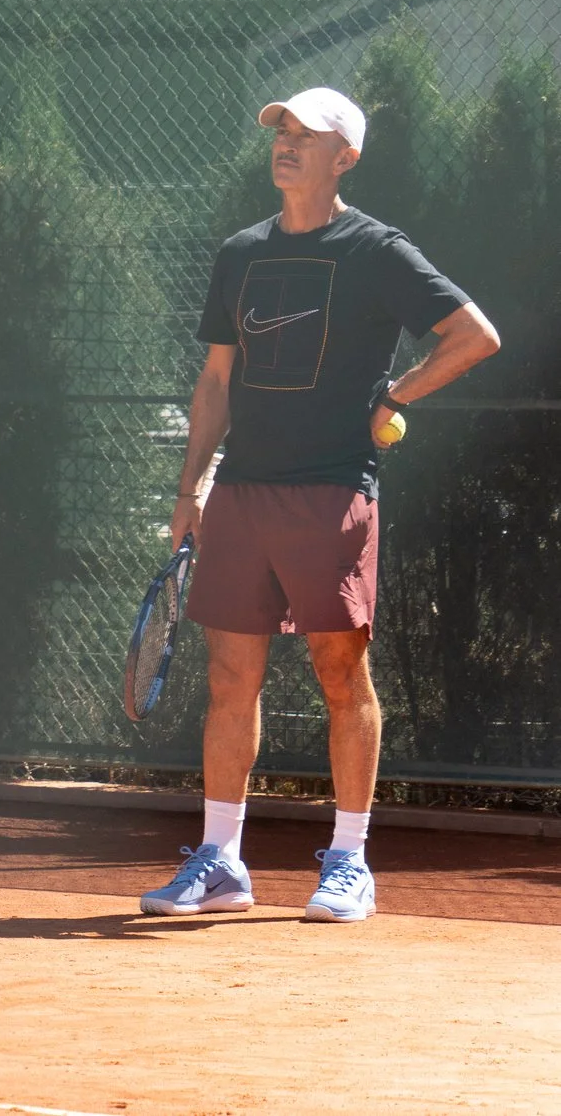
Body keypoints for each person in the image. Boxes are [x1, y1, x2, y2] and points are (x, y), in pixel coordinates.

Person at [142, 86, 499, 923]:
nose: (289, 144)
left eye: (310, 135)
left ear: (347, 156)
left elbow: (474, 334)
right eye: (283, 131)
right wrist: (190, 485)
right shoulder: (240, 254)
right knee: (231, 676)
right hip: (242, 493)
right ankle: (222, 857)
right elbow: (216, 381)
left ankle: (350, 861)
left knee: (343, 673)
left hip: (334, 488)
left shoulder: (376, 250)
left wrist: (396, 395)